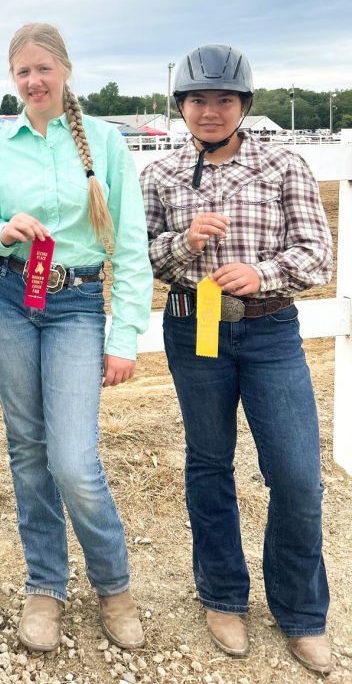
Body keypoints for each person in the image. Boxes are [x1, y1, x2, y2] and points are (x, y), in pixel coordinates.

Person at [0, 23, 153, 653]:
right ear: (11, 79)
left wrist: (123, 336)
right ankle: (45, 584)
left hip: (74, 303)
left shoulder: (104, 144)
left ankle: (113, 585)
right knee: (28, 449)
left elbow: (128, 245)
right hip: (7, 299)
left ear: (65, 70)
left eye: (43, 69)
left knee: (74, 458)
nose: (33, 81)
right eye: (22, 73)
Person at [140, 44, 333, 674]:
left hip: (270, 328)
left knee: (297, 474)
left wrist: (263, 271)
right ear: (183, 107)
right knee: (209, 463)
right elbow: (144, 258)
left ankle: (301, 611)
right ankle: (223, 595)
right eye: (198, 100)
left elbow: (316, 254)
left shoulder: (283, 165)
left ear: (244, 105)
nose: (211, 111)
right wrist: (182, 241)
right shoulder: (162, 176)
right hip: (194, 327)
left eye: (224, 100)